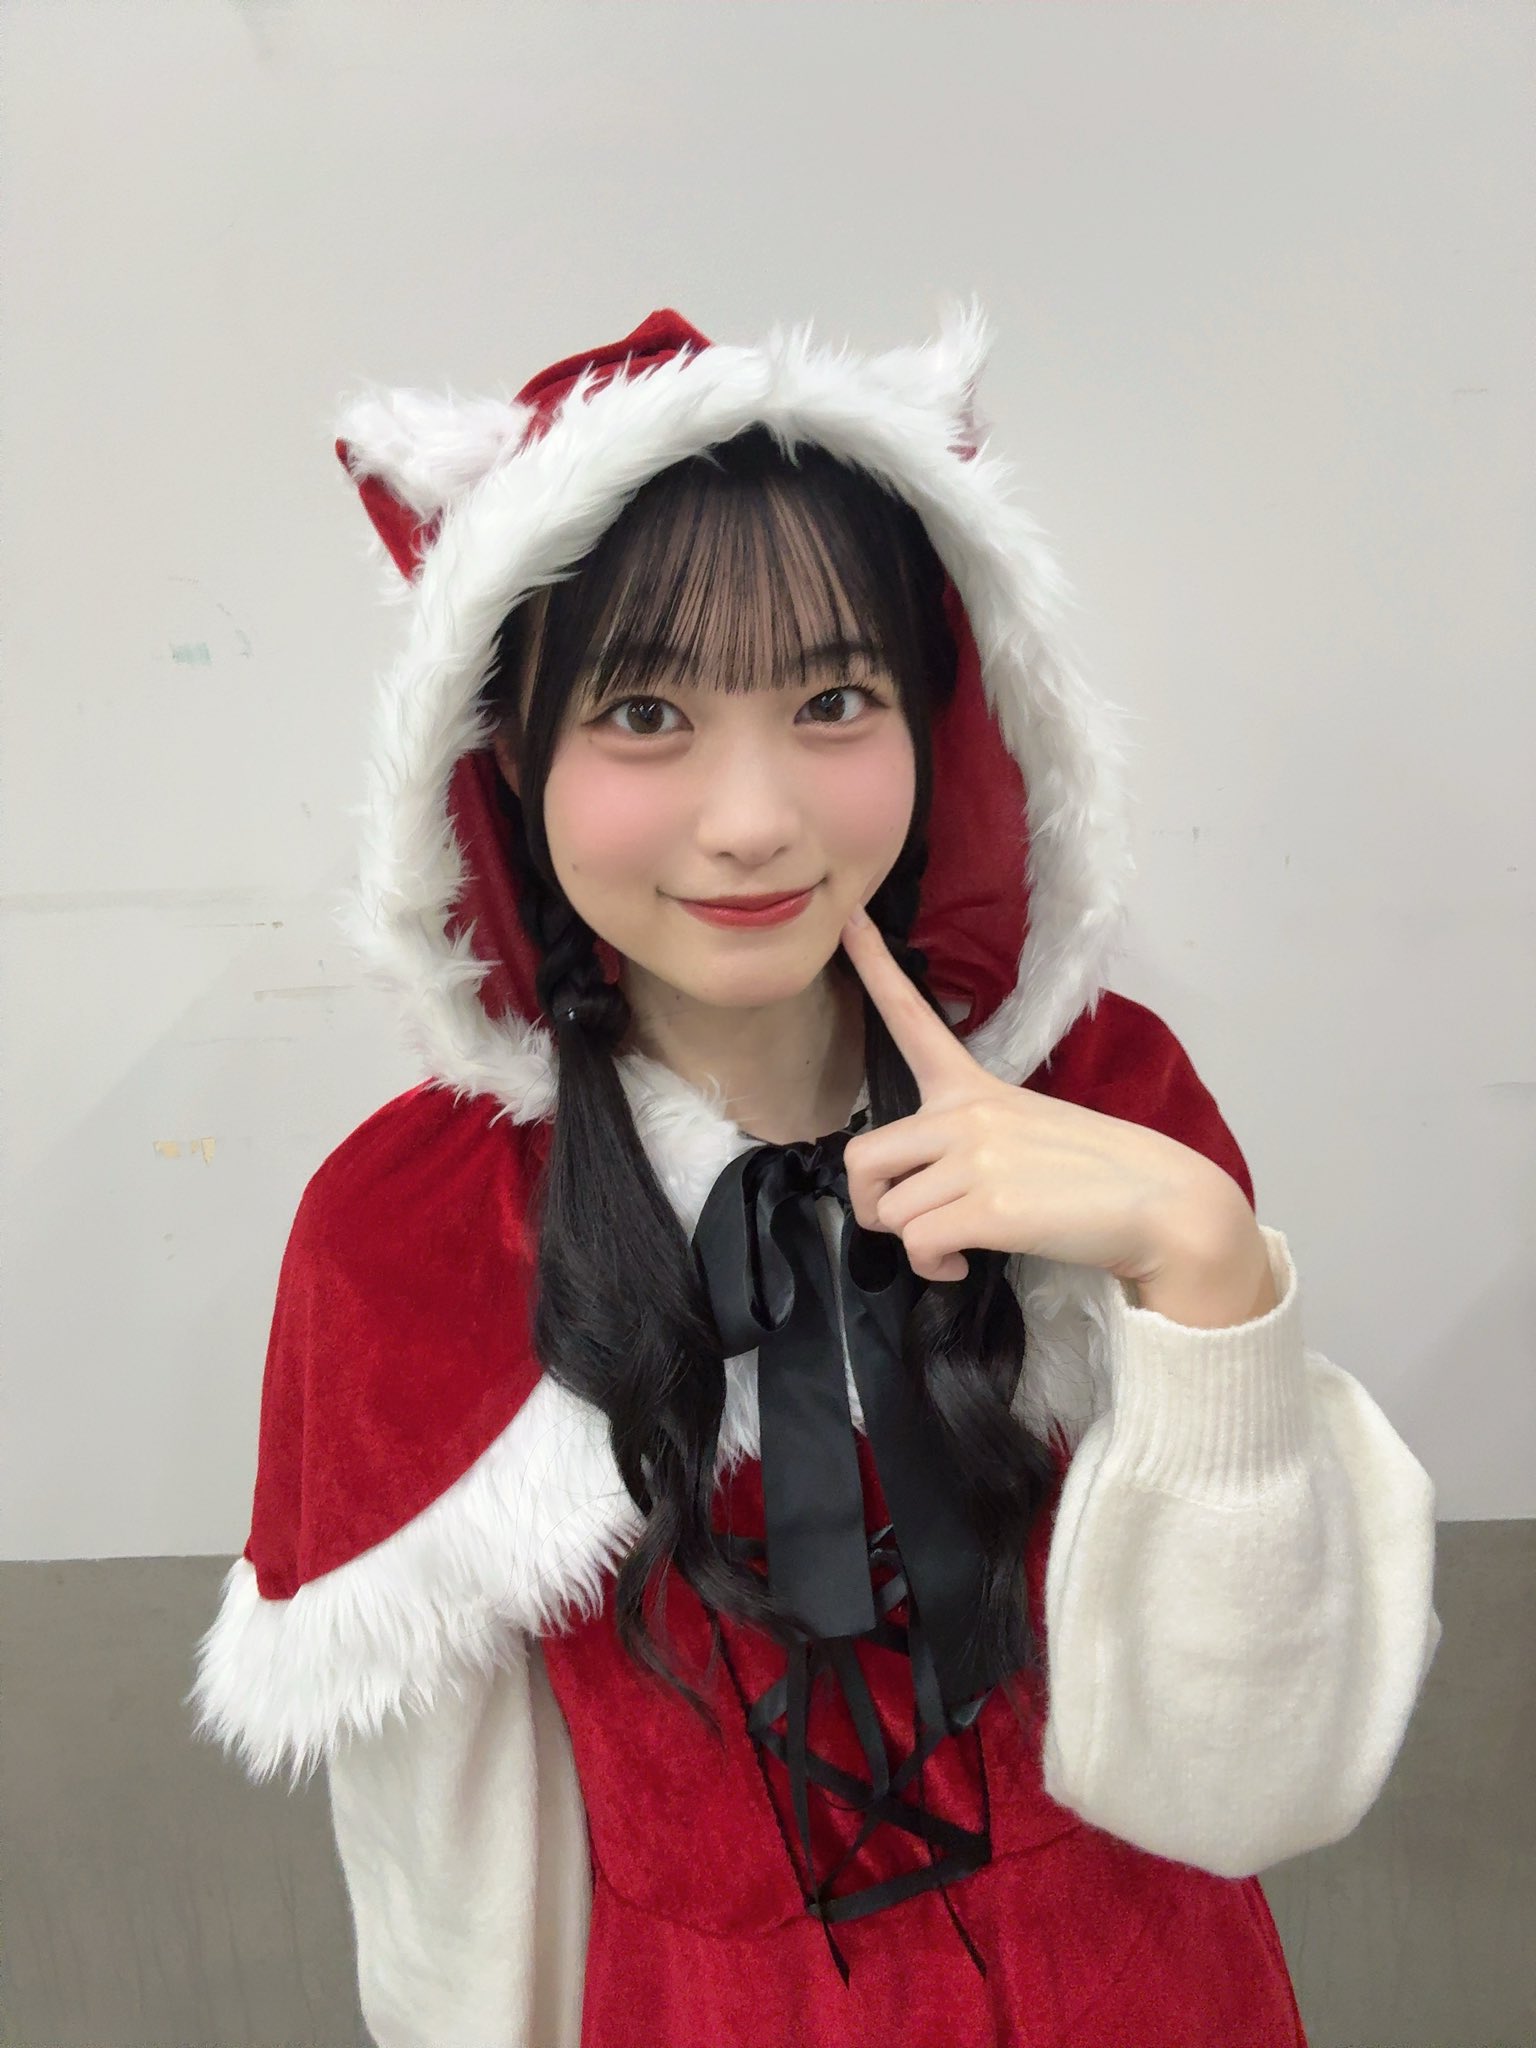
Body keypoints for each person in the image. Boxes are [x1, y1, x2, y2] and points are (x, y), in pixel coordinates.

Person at [188, 305, 1441, 2048]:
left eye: (834, 699)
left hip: (1159, 1992)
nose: (755, 817)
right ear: (509, 757)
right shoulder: (417, 1239)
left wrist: (1201, 1259)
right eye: (646, 713)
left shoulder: (1108, 1108)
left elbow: (1252, 1796)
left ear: (937, 717)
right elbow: (449, 1898)